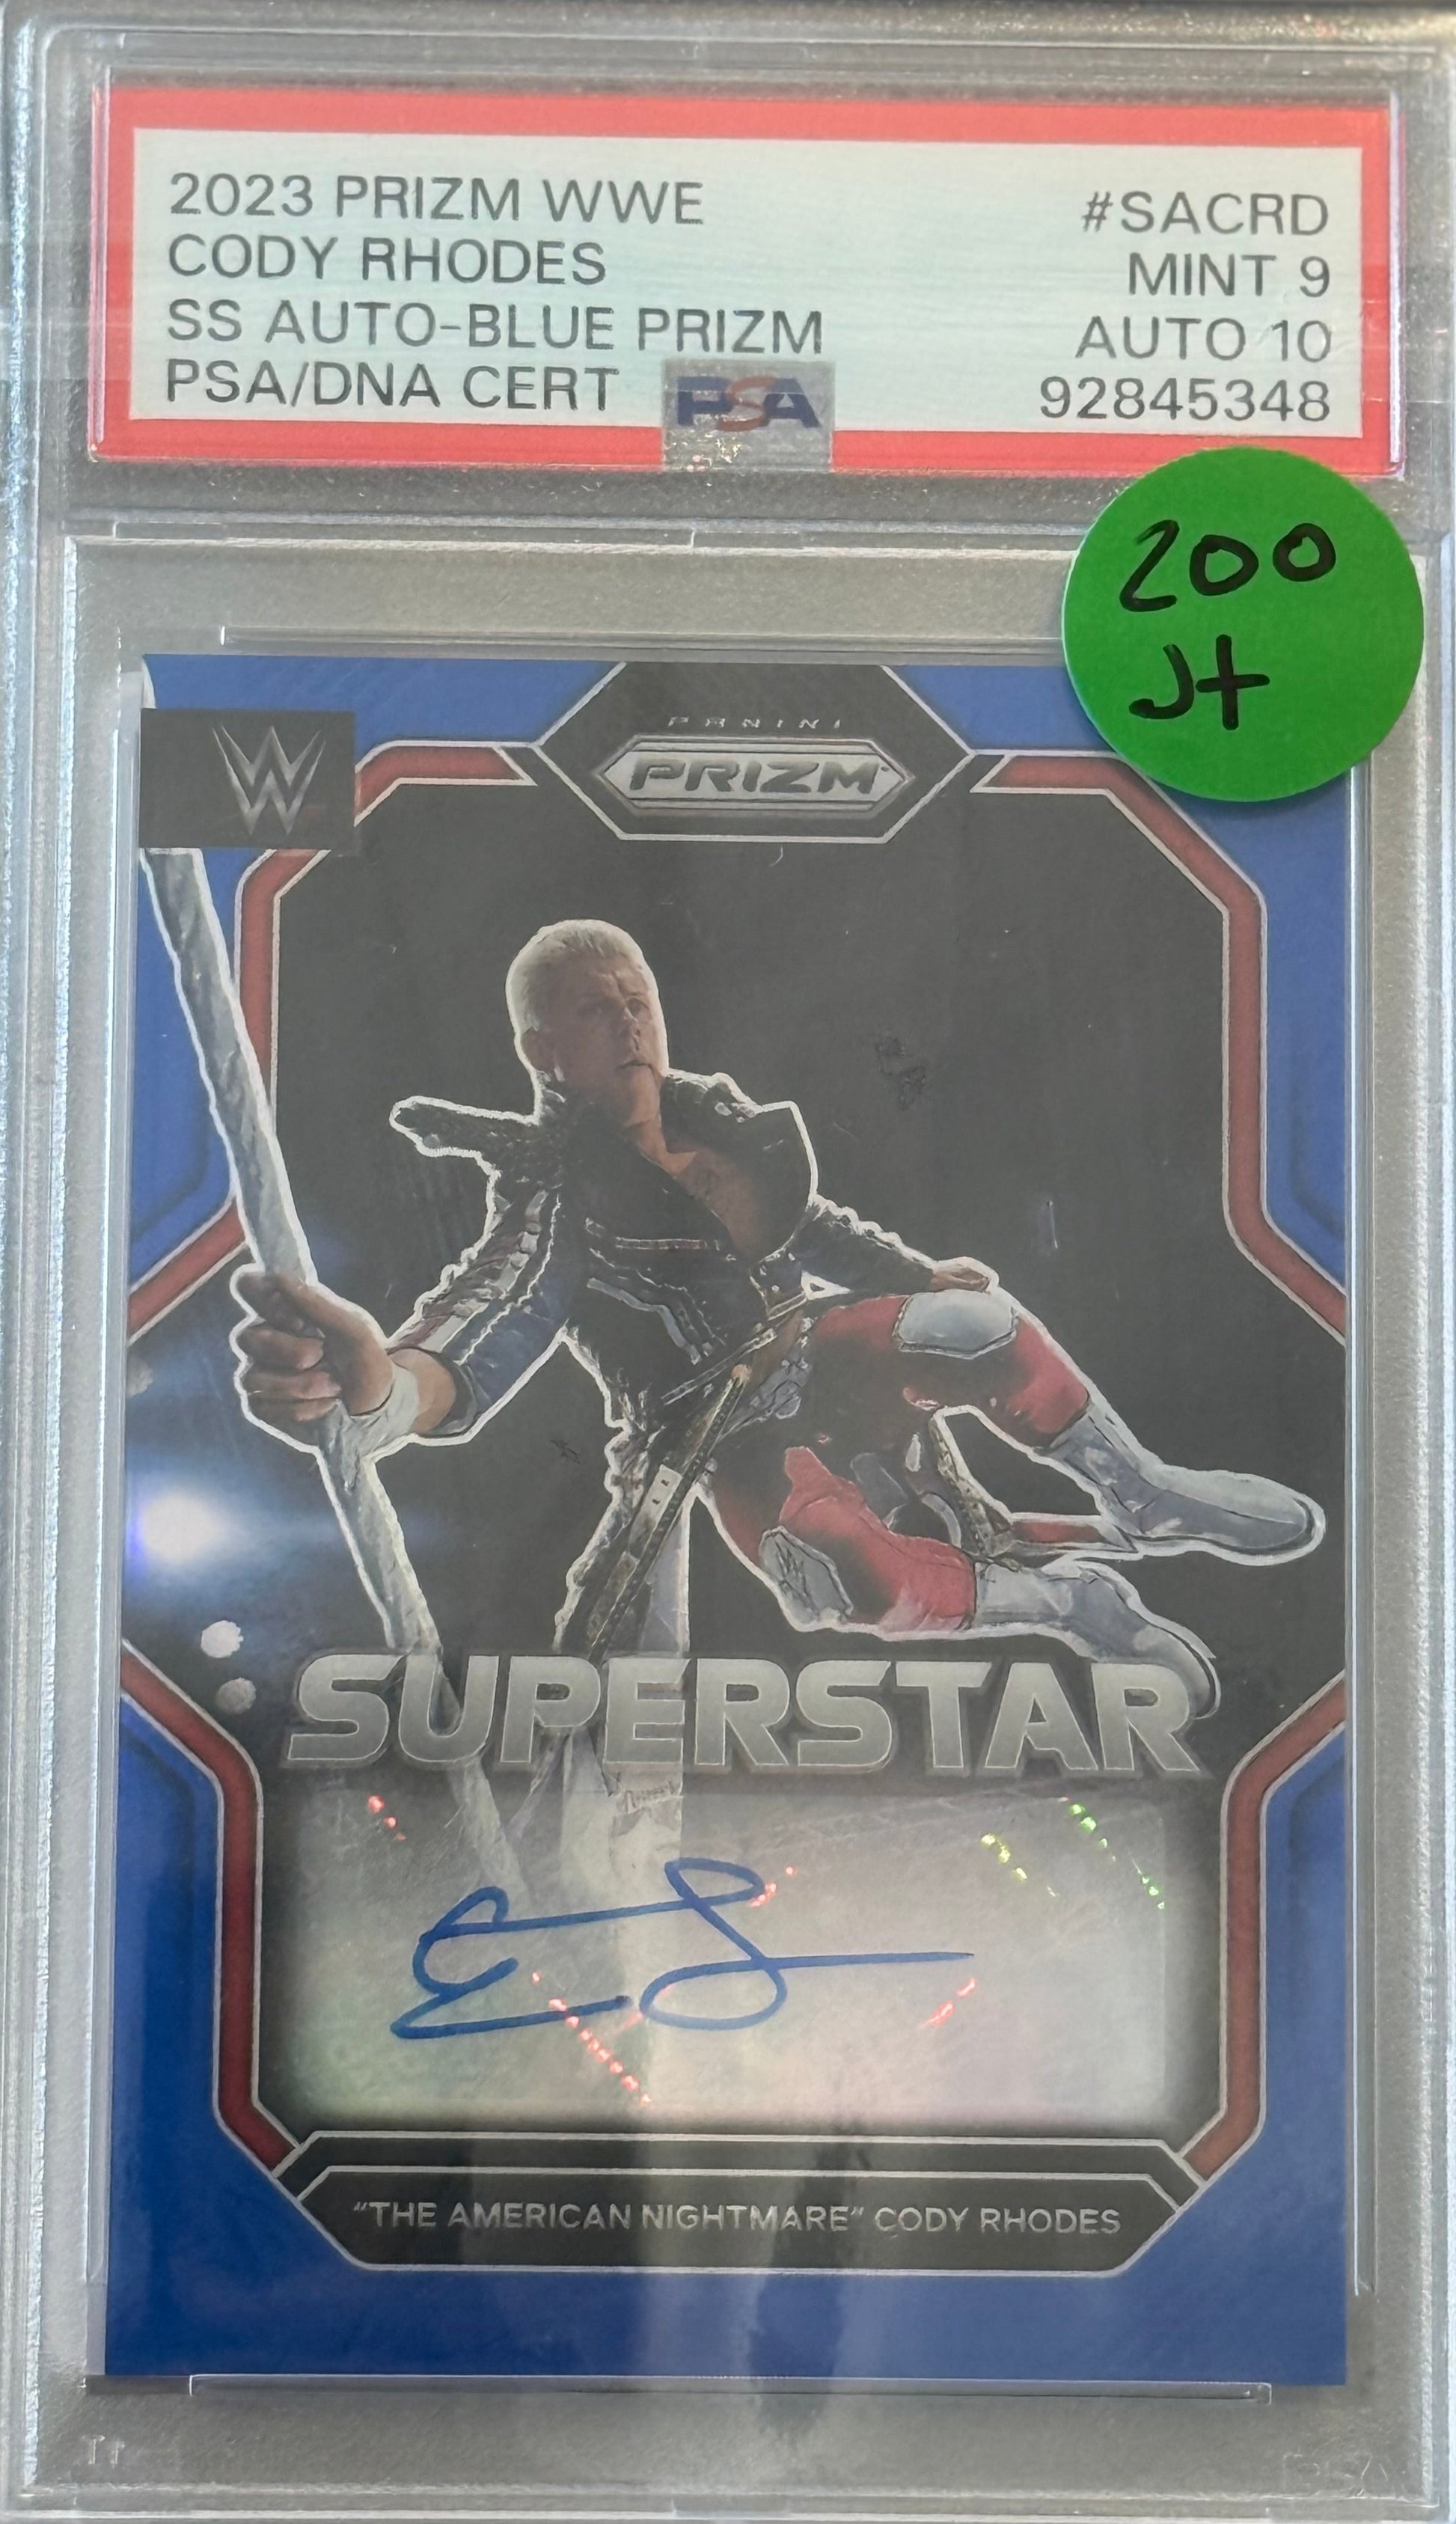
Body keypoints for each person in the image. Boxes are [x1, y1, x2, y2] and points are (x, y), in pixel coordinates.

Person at [234, 920, 1321, 1712]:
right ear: (541, 1049)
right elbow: (492, 1313)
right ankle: (1074, 1608)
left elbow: (810, 1227)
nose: (628, 1022)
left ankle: (1144, 1492)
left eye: (637, 1000)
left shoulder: (722, 1121)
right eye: (595, 1009)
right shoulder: (554, 1197)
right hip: (721, 1431)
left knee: (972, 1321)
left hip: (818, 1353)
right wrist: (380, 1390)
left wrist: (916, 1270)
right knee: (847, 1578)